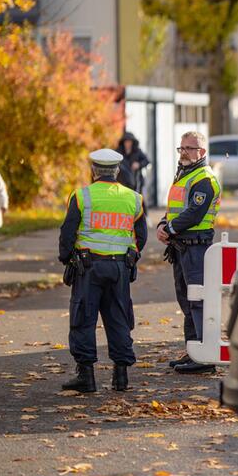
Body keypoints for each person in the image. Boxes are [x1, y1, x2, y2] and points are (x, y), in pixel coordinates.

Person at [58, 149, 147, 393]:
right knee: (119, 318)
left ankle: (86, 377)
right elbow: (141, 236)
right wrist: (131, 256)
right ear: (117, 170)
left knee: (83, 318)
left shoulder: (81, 196)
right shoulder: (134, 198)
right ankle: (121, 377)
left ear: (94, 171)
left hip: (88, 268)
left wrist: (66, 259)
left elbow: (67, 233)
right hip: (118, 267)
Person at [158, 131, 222, 374]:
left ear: (202, 152)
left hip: (196, 247)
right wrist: (162, 225)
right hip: (181, 246)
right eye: (181, 147)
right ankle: (194, 351)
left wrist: (170, 229)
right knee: (186, 300)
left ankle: (205, 359)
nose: (184, 151)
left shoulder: (204, 178)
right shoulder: (184, 174)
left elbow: (194, 213)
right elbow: (175, 210)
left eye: (189, 148)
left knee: (198, 301)